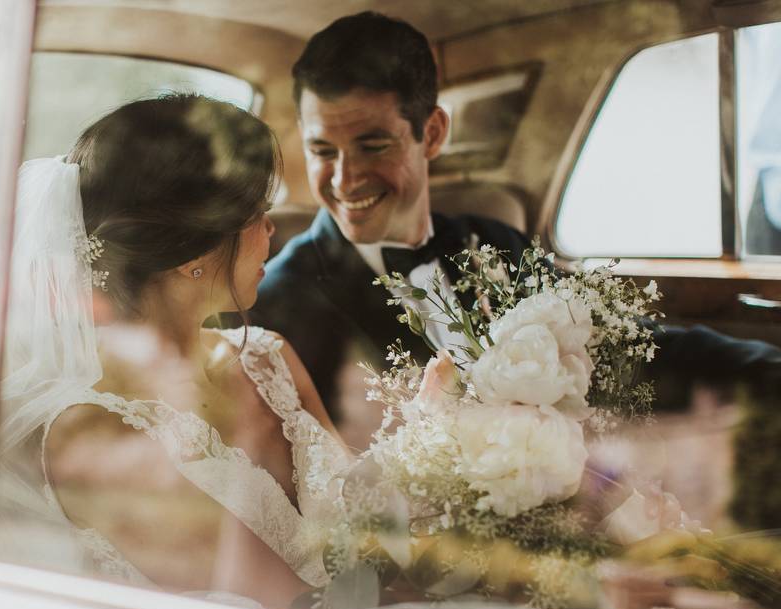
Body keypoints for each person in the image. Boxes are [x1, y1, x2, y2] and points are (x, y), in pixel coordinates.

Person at [250, 11, 781, 444]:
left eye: (373, 145)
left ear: (432, 133)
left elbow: (625, 346)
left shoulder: (494, 245)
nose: (345, 178)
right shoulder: (276, 304)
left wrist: (765, 370)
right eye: (323, 151)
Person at [0, 95, 351, 609]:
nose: (271, 231)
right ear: (193, 250)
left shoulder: (270, 356)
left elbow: (365, 515)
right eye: (257, 213)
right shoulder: (94, 432)